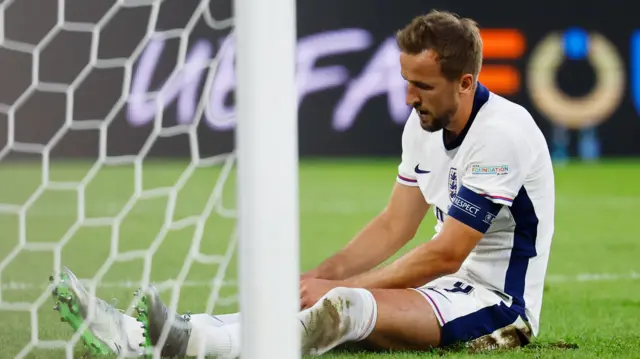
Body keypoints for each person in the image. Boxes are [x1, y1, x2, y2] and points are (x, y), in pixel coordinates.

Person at [51, 9, 555, 358]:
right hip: (439, 289)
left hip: (496, 305)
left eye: (422, 85)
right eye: (405, 81)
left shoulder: (502, 136)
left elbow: (446, 253)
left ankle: (190, 343)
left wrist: (336, 286)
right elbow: (393, 226)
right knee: (306, 298)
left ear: (465, 82)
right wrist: (311, 279)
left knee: (345, 304)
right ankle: (142, 337)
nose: (408, 97)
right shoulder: (422, 125)